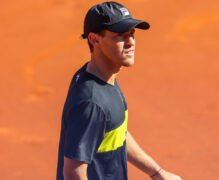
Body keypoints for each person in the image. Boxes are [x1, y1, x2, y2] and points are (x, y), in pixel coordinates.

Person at [56, 1, 182, 180]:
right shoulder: (91, 102)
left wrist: (156, 172)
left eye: (132, 34)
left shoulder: (104, 78)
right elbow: (73, 173)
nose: (130, 42)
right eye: (120, 36)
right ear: (94, 39)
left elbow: (115, 131)